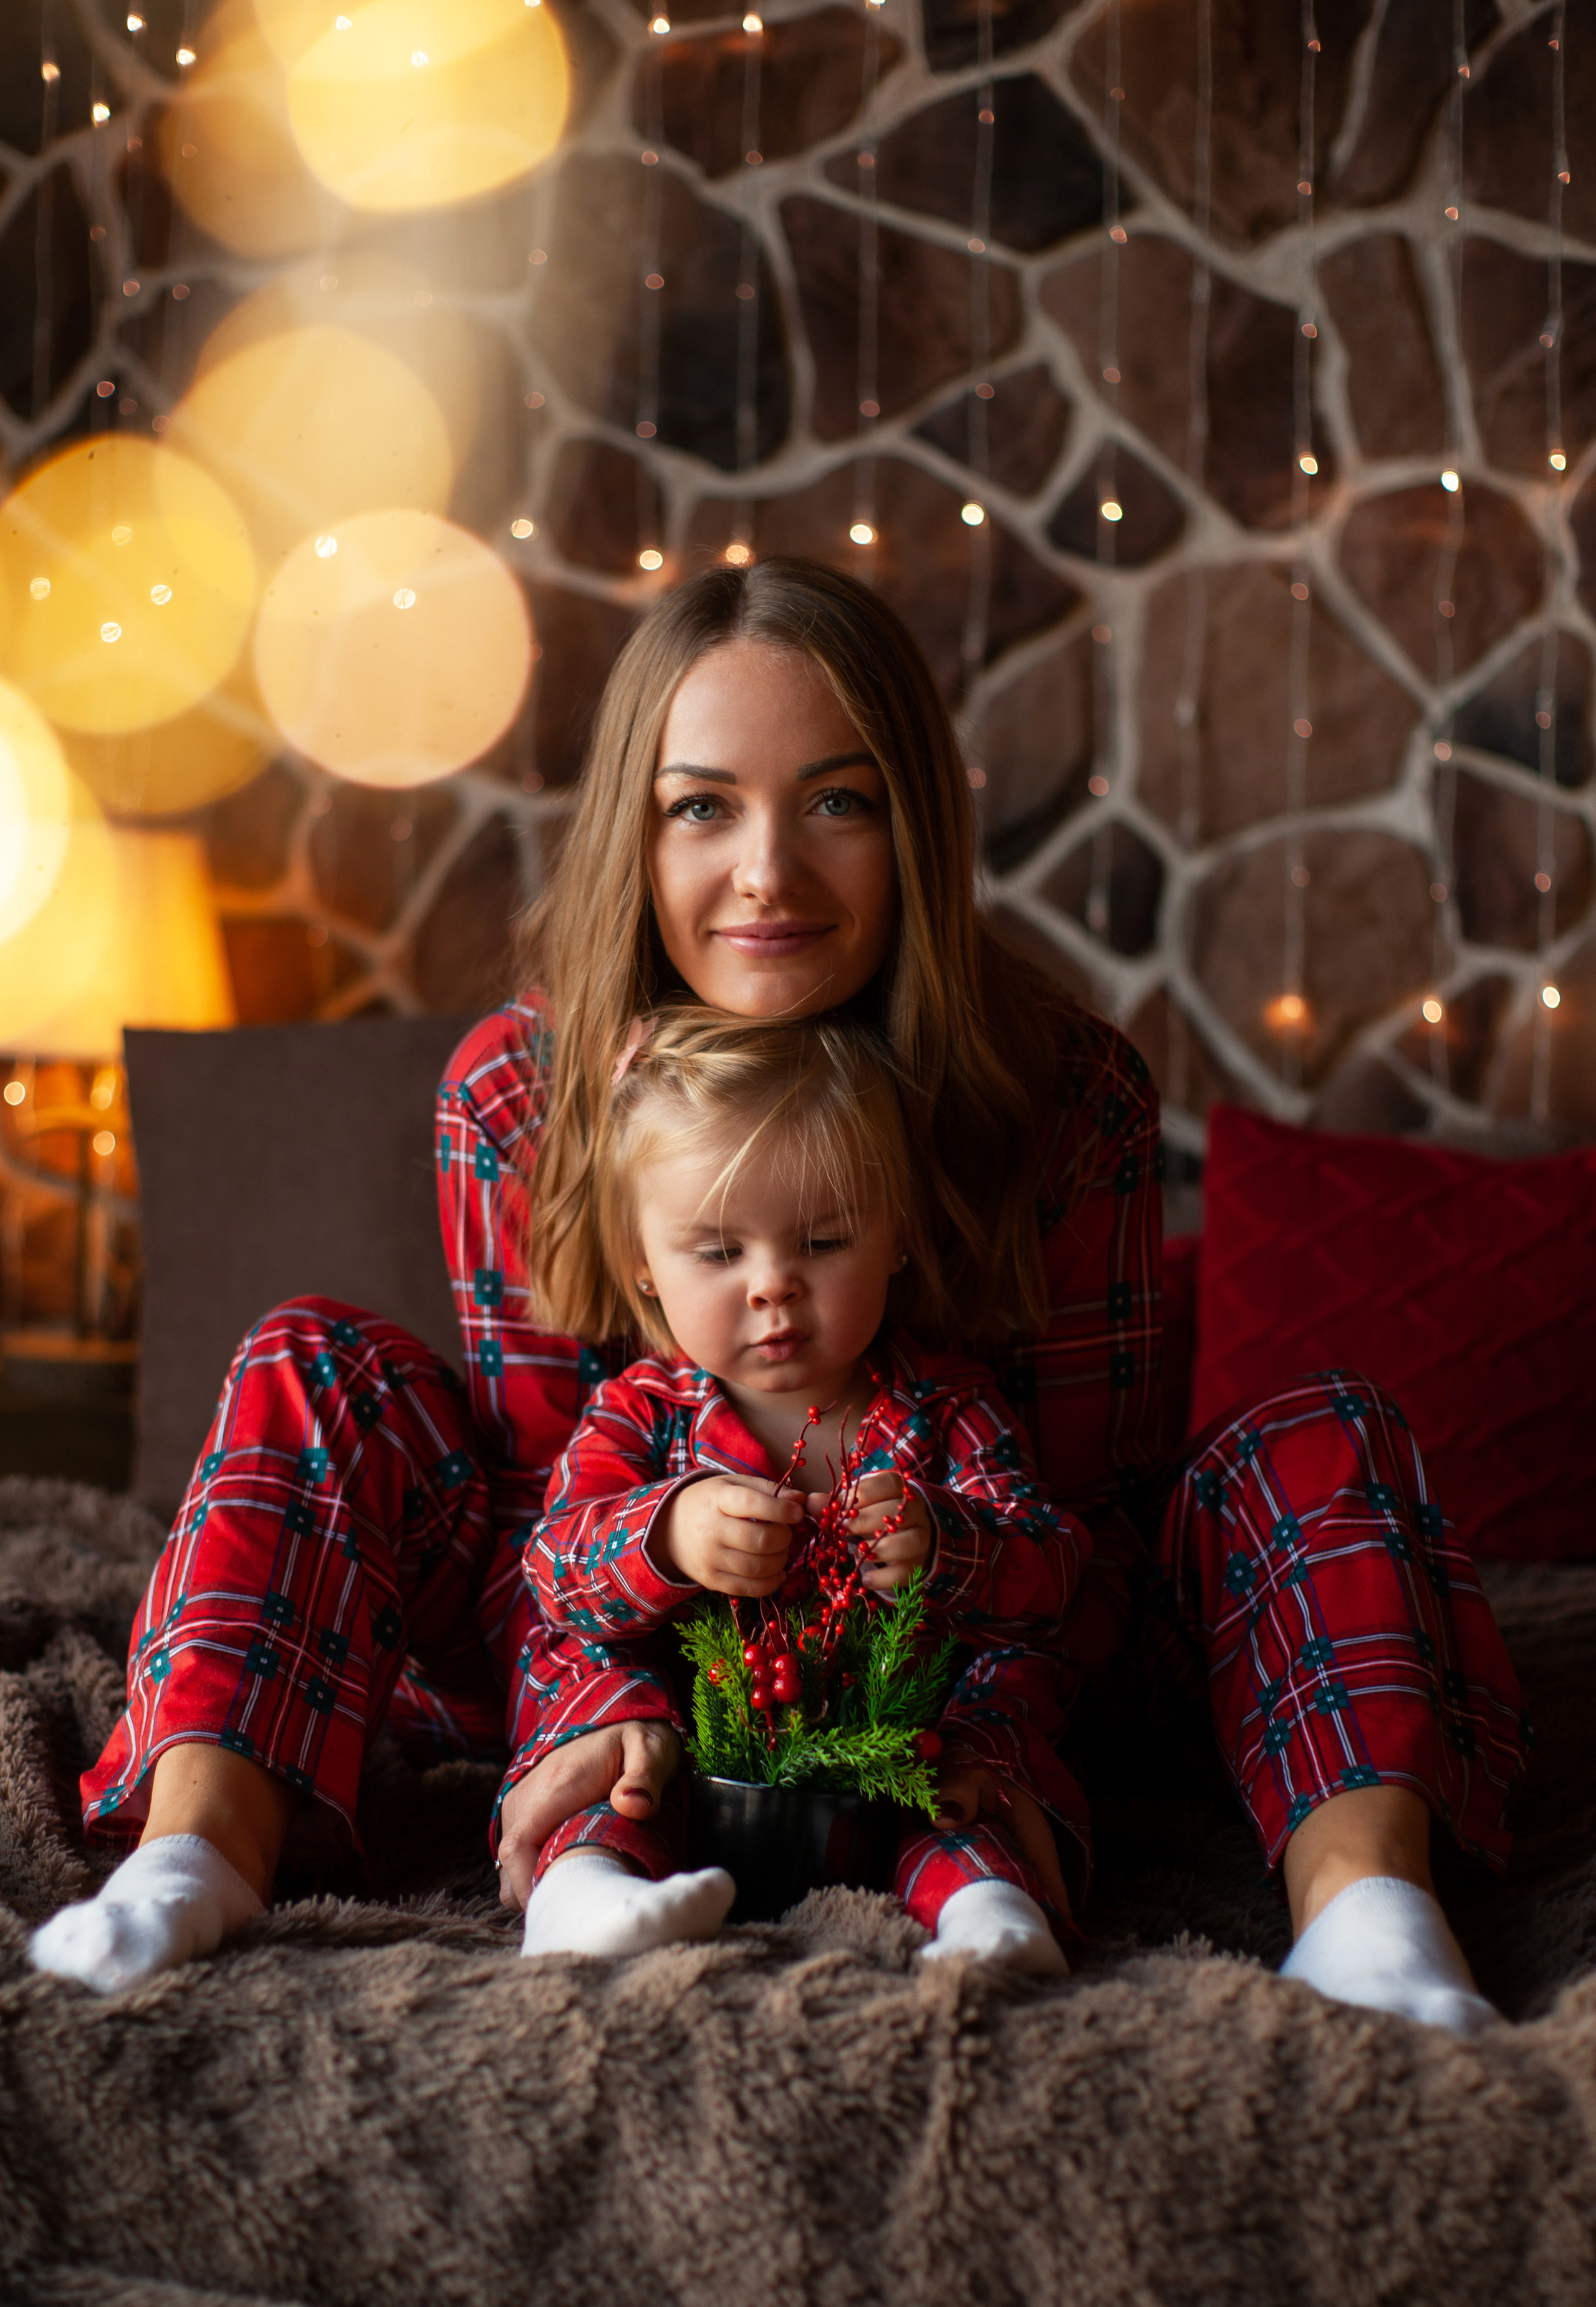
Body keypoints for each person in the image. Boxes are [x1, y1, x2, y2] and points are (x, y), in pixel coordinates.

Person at [32, 558, 1522, 2036]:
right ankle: (193, 1857)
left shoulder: (1063, 1096)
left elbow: (1093, 1546)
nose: (765, 871)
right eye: (701, 805)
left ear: (910, 827)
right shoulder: (519, 1088)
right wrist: (617, 1745)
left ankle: (1369, 1919)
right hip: (620, 1640)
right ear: (639, 824)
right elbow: (545, 1513)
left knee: (1319, 1429)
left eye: (835, 800)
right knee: (311, 1356)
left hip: (958, 1653)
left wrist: (949, 1721)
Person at [516, 1004, 1082, 1972]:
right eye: (720, 1252)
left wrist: (950, 1545)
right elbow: (556, 1567)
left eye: (822, 1241)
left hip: (891, 1751)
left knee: (969, 1752)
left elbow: (1056, 1570)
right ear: (642, 1269)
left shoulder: (946, 1410)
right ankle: (586, 1895)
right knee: (613, 1722)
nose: (774, 1285)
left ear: (896, 1236)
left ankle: (989, 1910)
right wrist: (670, 1531)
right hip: (699, 1758)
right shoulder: (641, 1414)